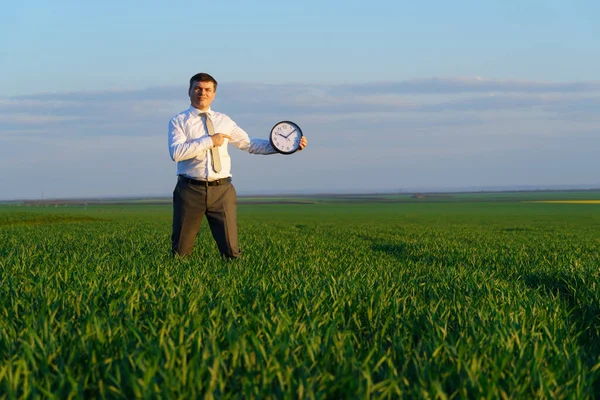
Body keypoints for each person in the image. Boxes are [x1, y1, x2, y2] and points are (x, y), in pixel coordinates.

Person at [168, 72, 308, 259]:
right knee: (181, 252)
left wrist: (286, 147)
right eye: (198, 88)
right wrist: (210, 140)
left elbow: (249, 144)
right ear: (189, 91)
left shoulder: (224, 121)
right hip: (190, 190)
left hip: (222, 191)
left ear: (214, 94)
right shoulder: (178, 121)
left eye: (207, 89)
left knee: (231, 252)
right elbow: (176, 153)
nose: (202, 93)